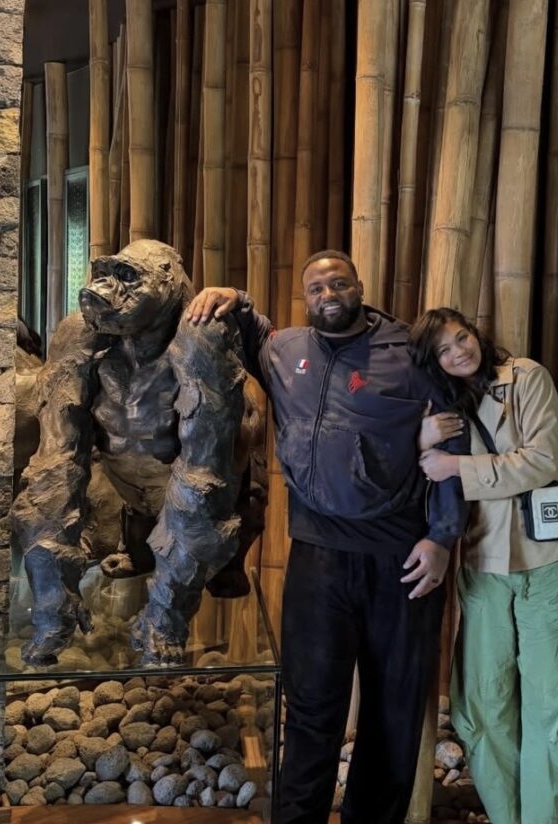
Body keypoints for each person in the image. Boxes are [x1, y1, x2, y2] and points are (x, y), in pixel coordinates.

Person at [186, 251, 469, 824]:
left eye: (338, 283)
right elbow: (251, 329)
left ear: (359, 286)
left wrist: (442, 538)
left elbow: (452, 444)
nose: (328, 294)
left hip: (401, 558)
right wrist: (233, 296)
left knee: (392, 713)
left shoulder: (409, 352)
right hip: (317, 558)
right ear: (305, 297)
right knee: (311, 707)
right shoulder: (286, 350)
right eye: (316, 288)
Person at [409, 307, 558, 824]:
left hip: (549, 557)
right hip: (482, 558)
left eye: (461, 338)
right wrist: (420, 441)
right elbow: (405, 467)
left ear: (476, 334)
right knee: (483, 703)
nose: (458, 352)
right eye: (443, 350)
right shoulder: (436, 404)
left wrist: (456, 466)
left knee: (554, 699)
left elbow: (541, 459)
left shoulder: (526, 378)